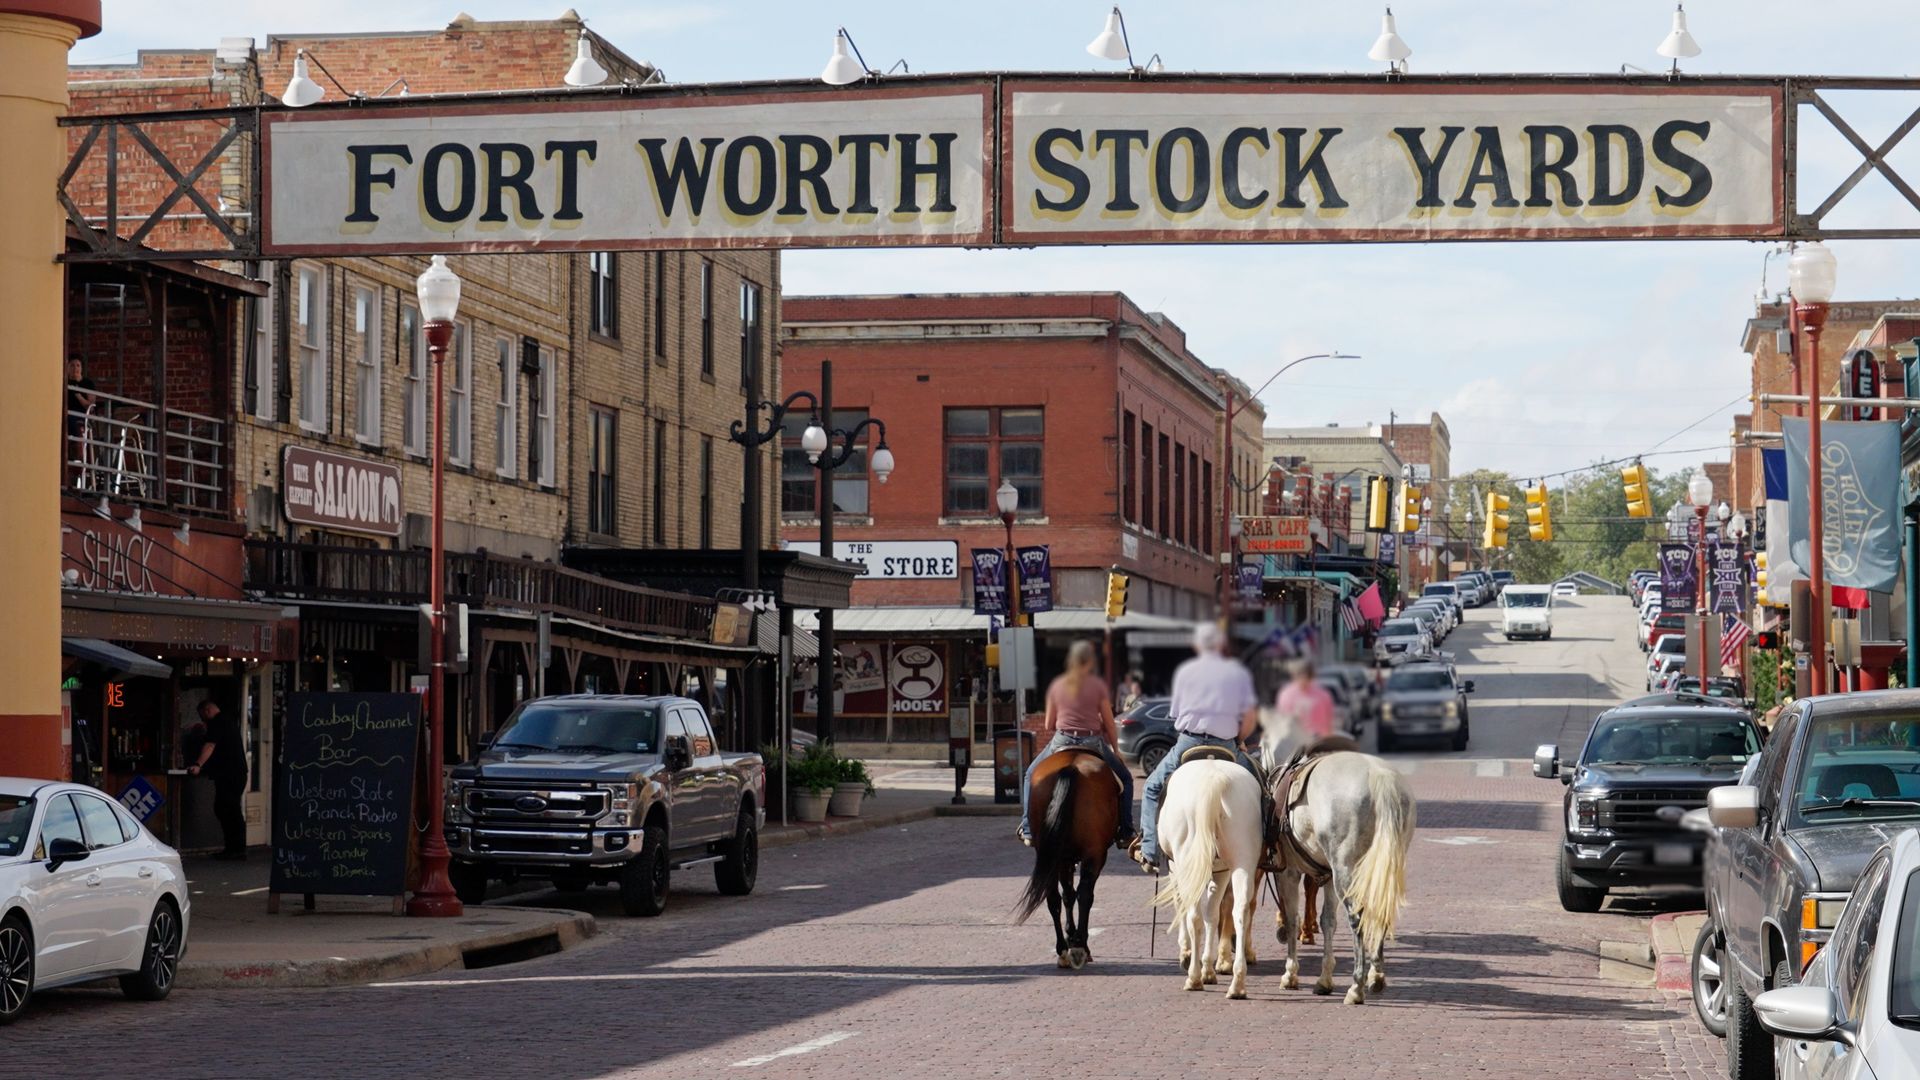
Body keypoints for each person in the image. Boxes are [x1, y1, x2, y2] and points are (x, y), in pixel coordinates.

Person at [1131, 622, 1259, 871]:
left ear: (1197, 646)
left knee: (1151, 787)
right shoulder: (1237, 673)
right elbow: (1251, 717)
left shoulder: (1186, 672)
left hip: (1188, 744)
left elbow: (1176, 713)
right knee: (1261, 789)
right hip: (1227, 746)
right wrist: (1240, 740)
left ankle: (1148, 850)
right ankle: (1265, 846)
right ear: (1221, 645)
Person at [1016, 640, 1135, 848]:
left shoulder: (1057, 685)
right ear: (1089, 662)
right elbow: (1109, 723)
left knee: (1030, 775)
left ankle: (1028, 828)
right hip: (1092, 741)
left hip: (1062, 739)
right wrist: (1116, 751)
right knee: (1126, 779)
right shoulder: (1098, 686)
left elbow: (1049, 724)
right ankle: (1125, 831)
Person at [188, 699, 248, 860]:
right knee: (227, 808)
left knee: (227, 808)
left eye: (202, 716)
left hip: (230, 774)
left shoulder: (217, 723)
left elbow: (210, 745)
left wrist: (198, 764)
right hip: (235, 772)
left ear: (207, 711)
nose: (202, 720)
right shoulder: (228, 721)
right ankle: (235, 847)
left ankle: (236, 848)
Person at [1275, 658, 1337, 743]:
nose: (1303, 680)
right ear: (1294, 676)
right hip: (1294, 743)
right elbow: (1282, 721)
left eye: (1306, 676)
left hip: (1317, 741)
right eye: (1300, 676)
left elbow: (1328, 724)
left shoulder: (1323, 695)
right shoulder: (1286, 694)